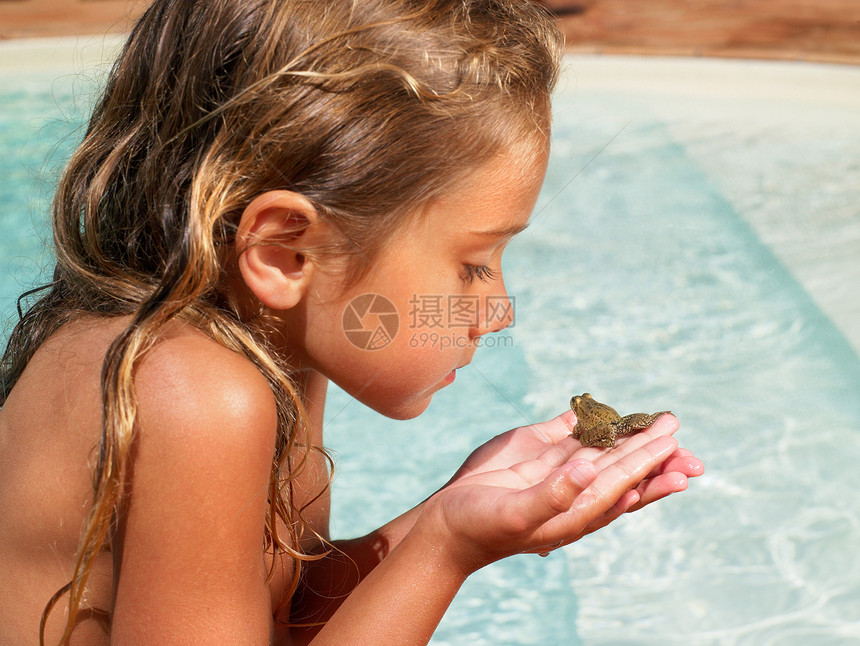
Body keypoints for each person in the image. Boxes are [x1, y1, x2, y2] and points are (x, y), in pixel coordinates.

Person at [0, 0, 704, 643]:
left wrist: (449, 518)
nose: (496, 312)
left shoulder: (270, 348)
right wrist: (444, 552)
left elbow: (286, 616)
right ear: (285, 251)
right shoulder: (196, 396)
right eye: (472, 264)